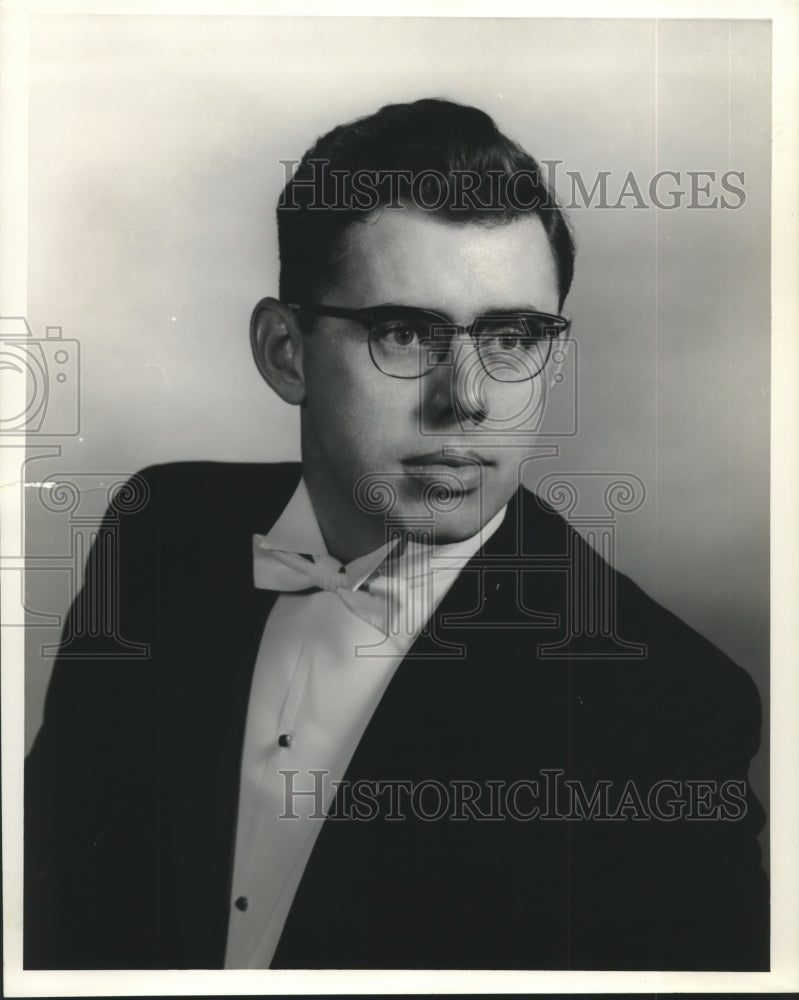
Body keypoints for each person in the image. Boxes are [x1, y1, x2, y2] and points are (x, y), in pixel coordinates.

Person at [24, 98, 768, 971]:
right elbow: (53, 899)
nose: (467, 399)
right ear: (283, 351)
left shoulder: (664, 709)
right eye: (405, 333)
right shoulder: (160, 529)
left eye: (512, 336)